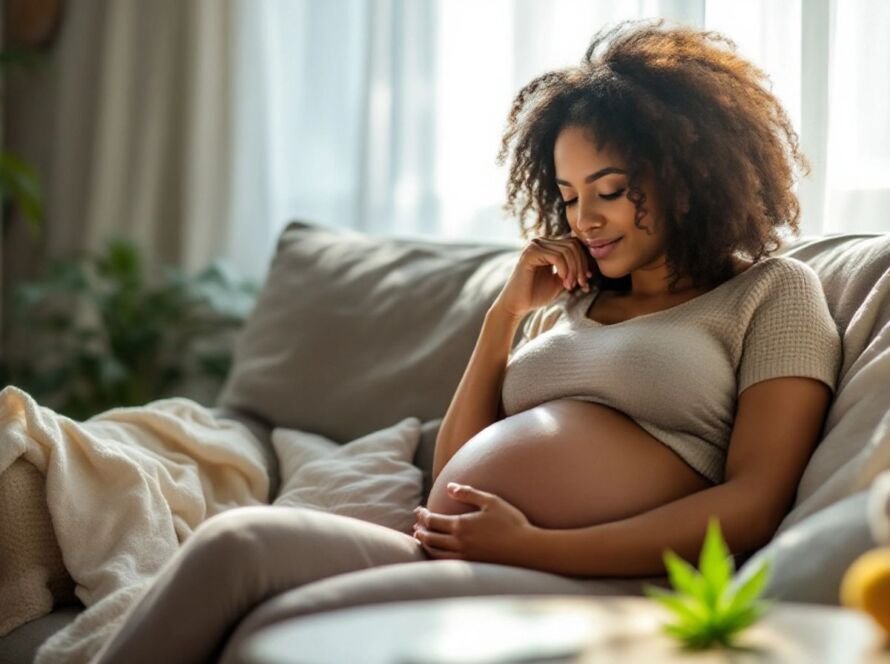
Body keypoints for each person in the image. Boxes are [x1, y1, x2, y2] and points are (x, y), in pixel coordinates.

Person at [92, 18, 841, 664]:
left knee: (284, 628)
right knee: (237, 544)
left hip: (613, 577)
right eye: (571, 194)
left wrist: (532, 546)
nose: (584, 218)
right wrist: (502, 320)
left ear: (689, 176)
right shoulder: (567, 308)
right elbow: (452, 473)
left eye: (610, 190)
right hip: (473, 548)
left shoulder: (772, 294)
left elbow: (754, 505)